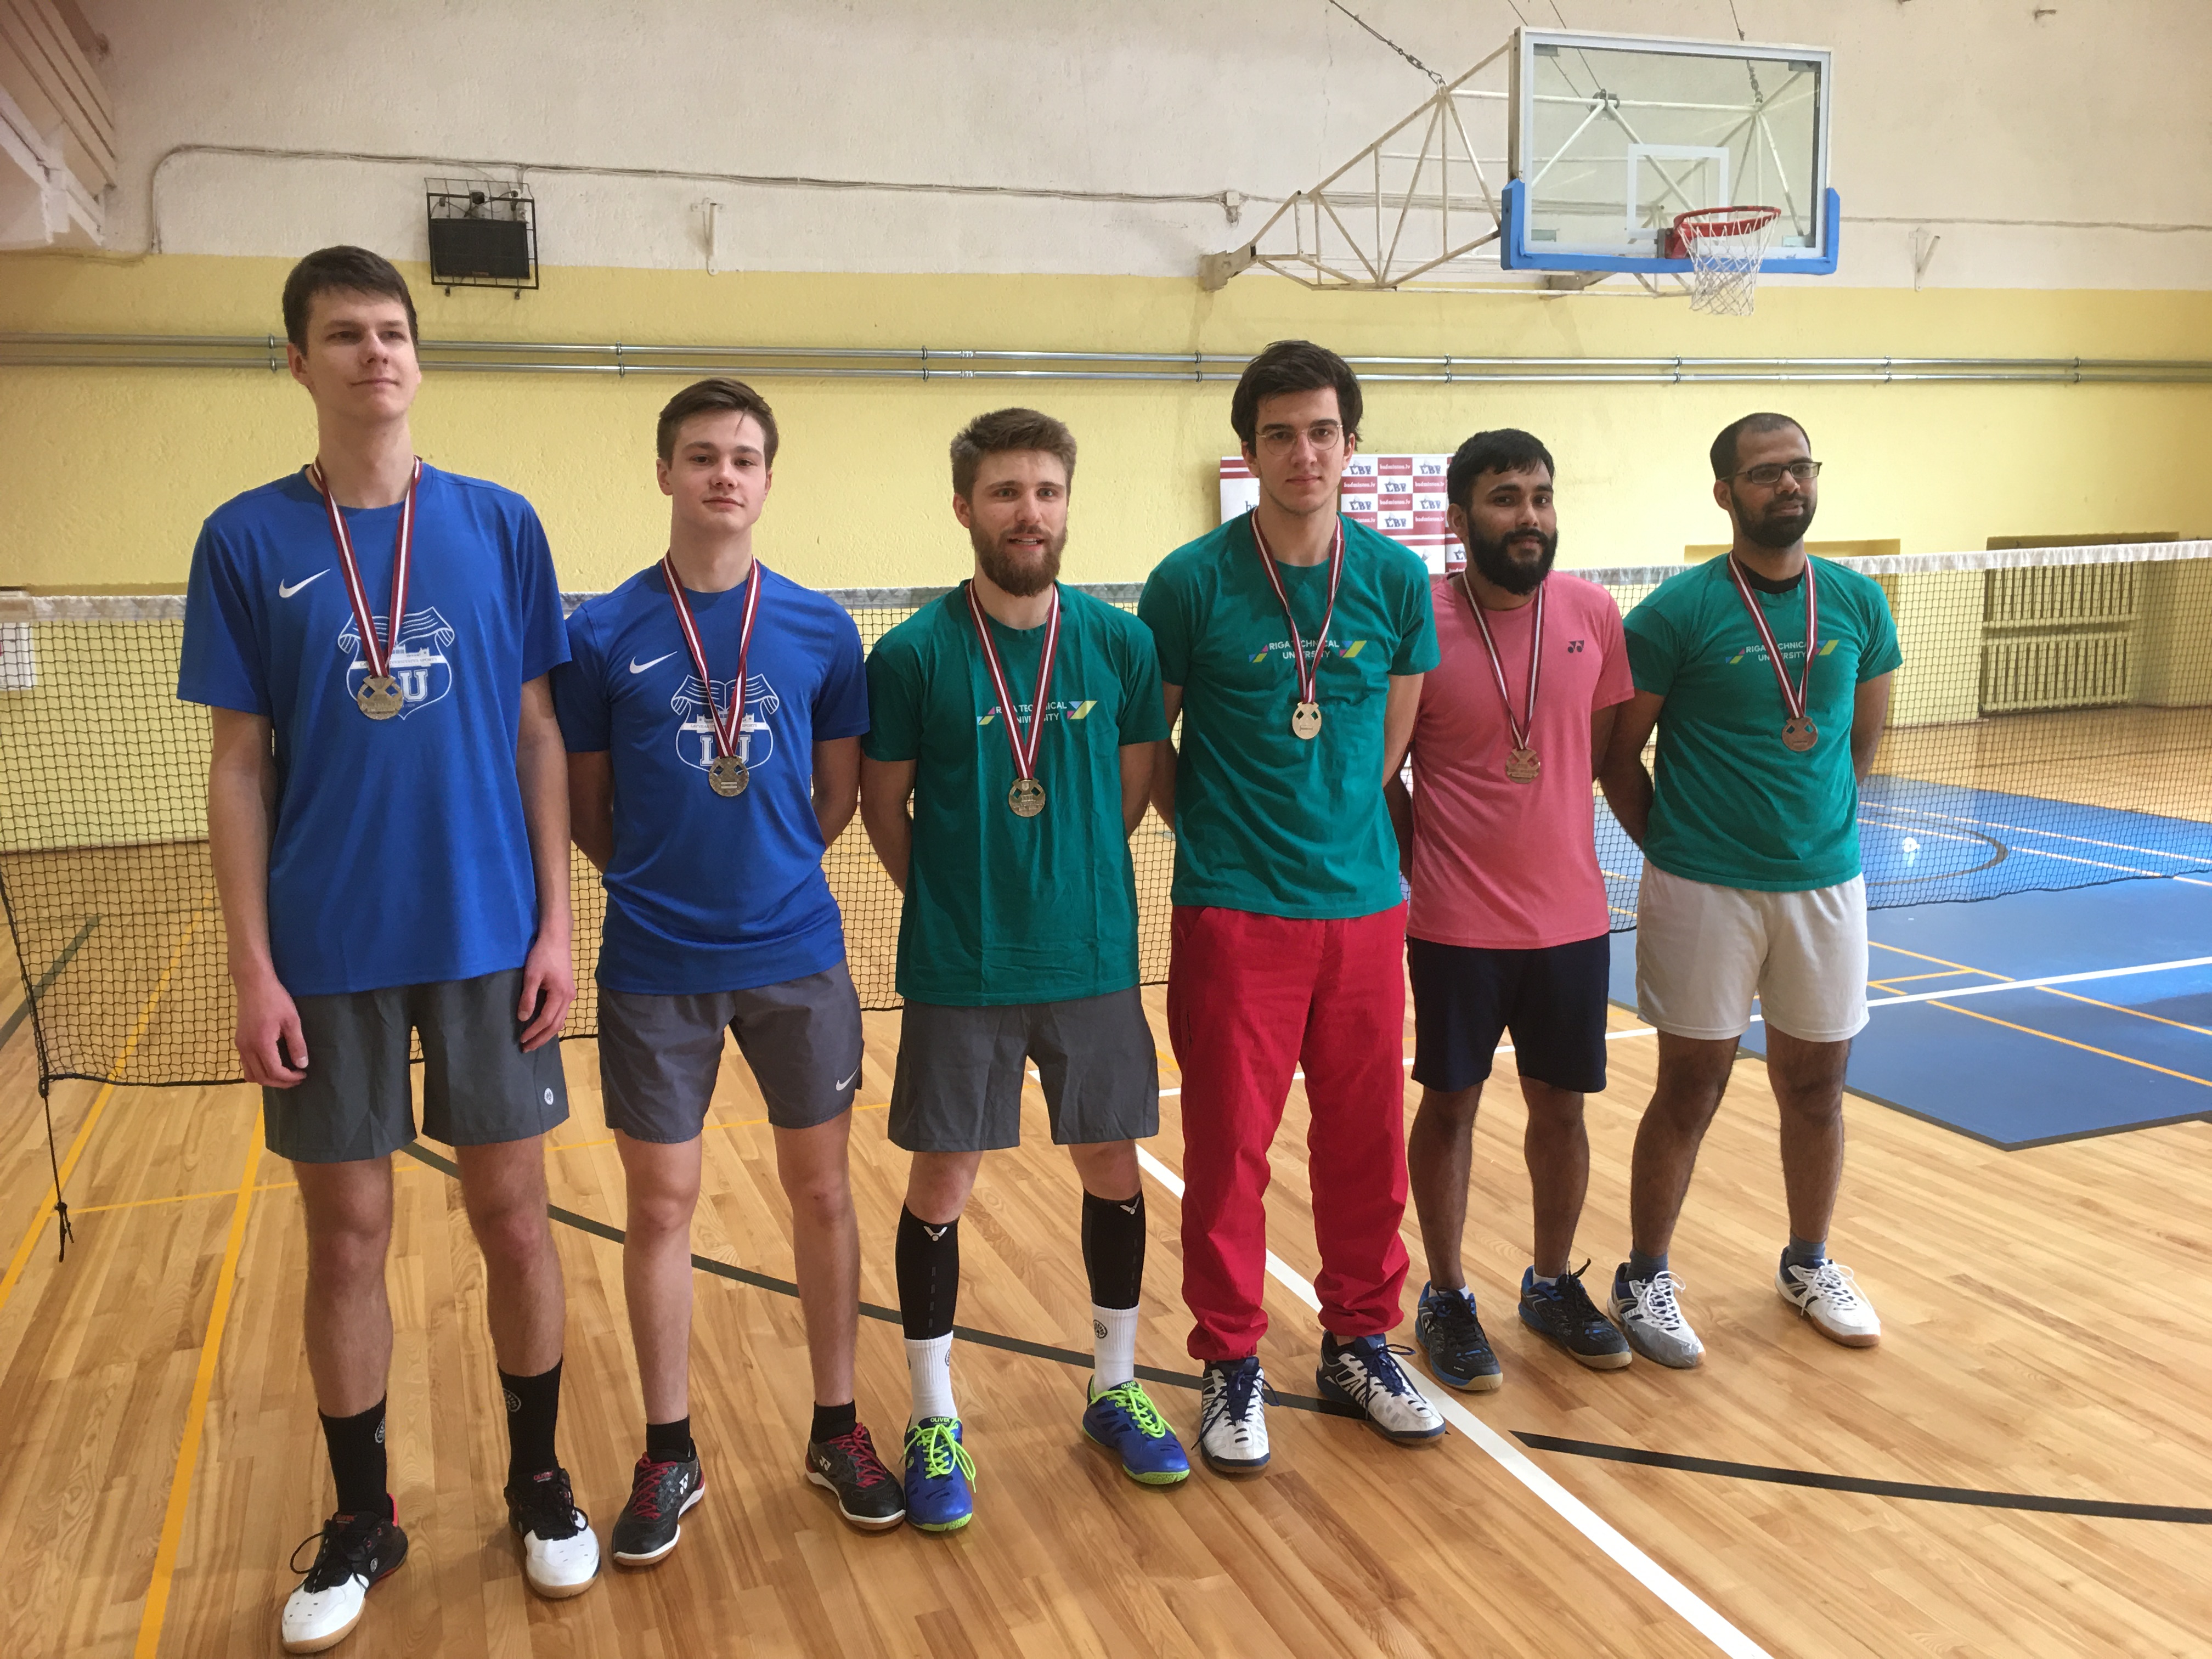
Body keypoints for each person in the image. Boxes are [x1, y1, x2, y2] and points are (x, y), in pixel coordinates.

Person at [179, 246, 596, 1655]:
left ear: (420, 357)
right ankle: (364, 1517)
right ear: (297, 363)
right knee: (347, 1236)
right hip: (327, 949)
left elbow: (538, 732)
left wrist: (558, 921)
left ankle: (538, 1483)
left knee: (515, 1220)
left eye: (394, 332)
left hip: (488, 940)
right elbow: (240, 767)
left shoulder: (499, 525)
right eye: (346, 335)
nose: (377, 353)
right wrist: (253, 969)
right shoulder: (245, 539)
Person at [553, 377, 906, 1555]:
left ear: (766, 480)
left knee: (823, 1193)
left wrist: (772, 874)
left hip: (796, 956)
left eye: (744, 458)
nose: (723, 475)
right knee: (661, 1206)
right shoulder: (601, 633)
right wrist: (660, 882)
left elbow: (838, 792)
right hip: (654, 963)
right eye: (701, 455)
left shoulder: (819, 629)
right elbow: (587, 808)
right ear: (665, 473)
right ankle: (669, 1452)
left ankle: (837, 1429)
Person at [859, 407, 1186, 1534]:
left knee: (1112, 1166)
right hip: (962, 968)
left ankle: (1115, 1387)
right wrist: (961, 904)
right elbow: (884, 808)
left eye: (1045, 491)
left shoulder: (1121, 645)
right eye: (1005, 492)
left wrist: (1070, 885)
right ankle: (933, 1413)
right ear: (965, 507)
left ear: (1066, 504)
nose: (1028, 512)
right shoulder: (912, 655)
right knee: (942, 1184)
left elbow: (1135, 787)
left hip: (1093, 959)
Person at [1139, 340, 1444, 1475]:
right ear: (1251, 450)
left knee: (1367, 1144)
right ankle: (1229, 1360)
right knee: (1229, 1150)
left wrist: (1338, 827)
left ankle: (1360, 1341)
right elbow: (1152, 740)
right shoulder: (1189, 582)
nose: (1303, 453)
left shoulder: (1397, 580)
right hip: (1235, 911)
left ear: (1350, 445)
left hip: (1363, 909)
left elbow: (1394, 732)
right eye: (1280, 435)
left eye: (1322, 432)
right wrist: (1220, 837)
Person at [1597, 412, 1899, 1368]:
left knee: (1818, 1086)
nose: (1790, 484)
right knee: (1690, 1087)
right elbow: (1618, 756)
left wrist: (1817, 830)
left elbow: (1860, 743)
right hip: (1704, 893)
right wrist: (1678, 850)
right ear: (1725, 493)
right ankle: (1644, 1275)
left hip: (1825, 887)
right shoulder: (1675, 614)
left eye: (1801, 467)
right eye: (1767, 473)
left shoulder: (1858, 603)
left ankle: (1808, 1262)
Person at [1388, 428, 1635, 1390]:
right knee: (1449, 1105)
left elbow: (1599, 753)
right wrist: (1423, 861)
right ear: (1459, 518)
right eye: (1504, 498)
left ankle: (1550, 1283)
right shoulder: (1420, 617)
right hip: (1456, 926)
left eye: (1540, 496)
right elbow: (1385, 768)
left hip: (1572, 922)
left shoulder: (1593, 612)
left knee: (1561, 1111)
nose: (1528, 516)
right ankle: (1447, 1294)